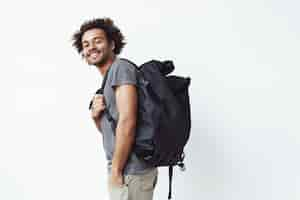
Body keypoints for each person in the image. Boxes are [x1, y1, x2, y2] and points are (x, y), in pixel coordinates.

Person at [72, 18, 158, 200]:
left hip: (130, 171)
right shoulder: (109, 79)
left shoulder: (121, 69)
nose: (91, 47)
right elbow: (111, 131)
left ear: (112, 44)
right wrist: (96, 118)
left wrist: (117, 171)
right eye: (86, 44)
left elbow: (128, 121)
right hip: (125, 170)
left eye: (98, 40)